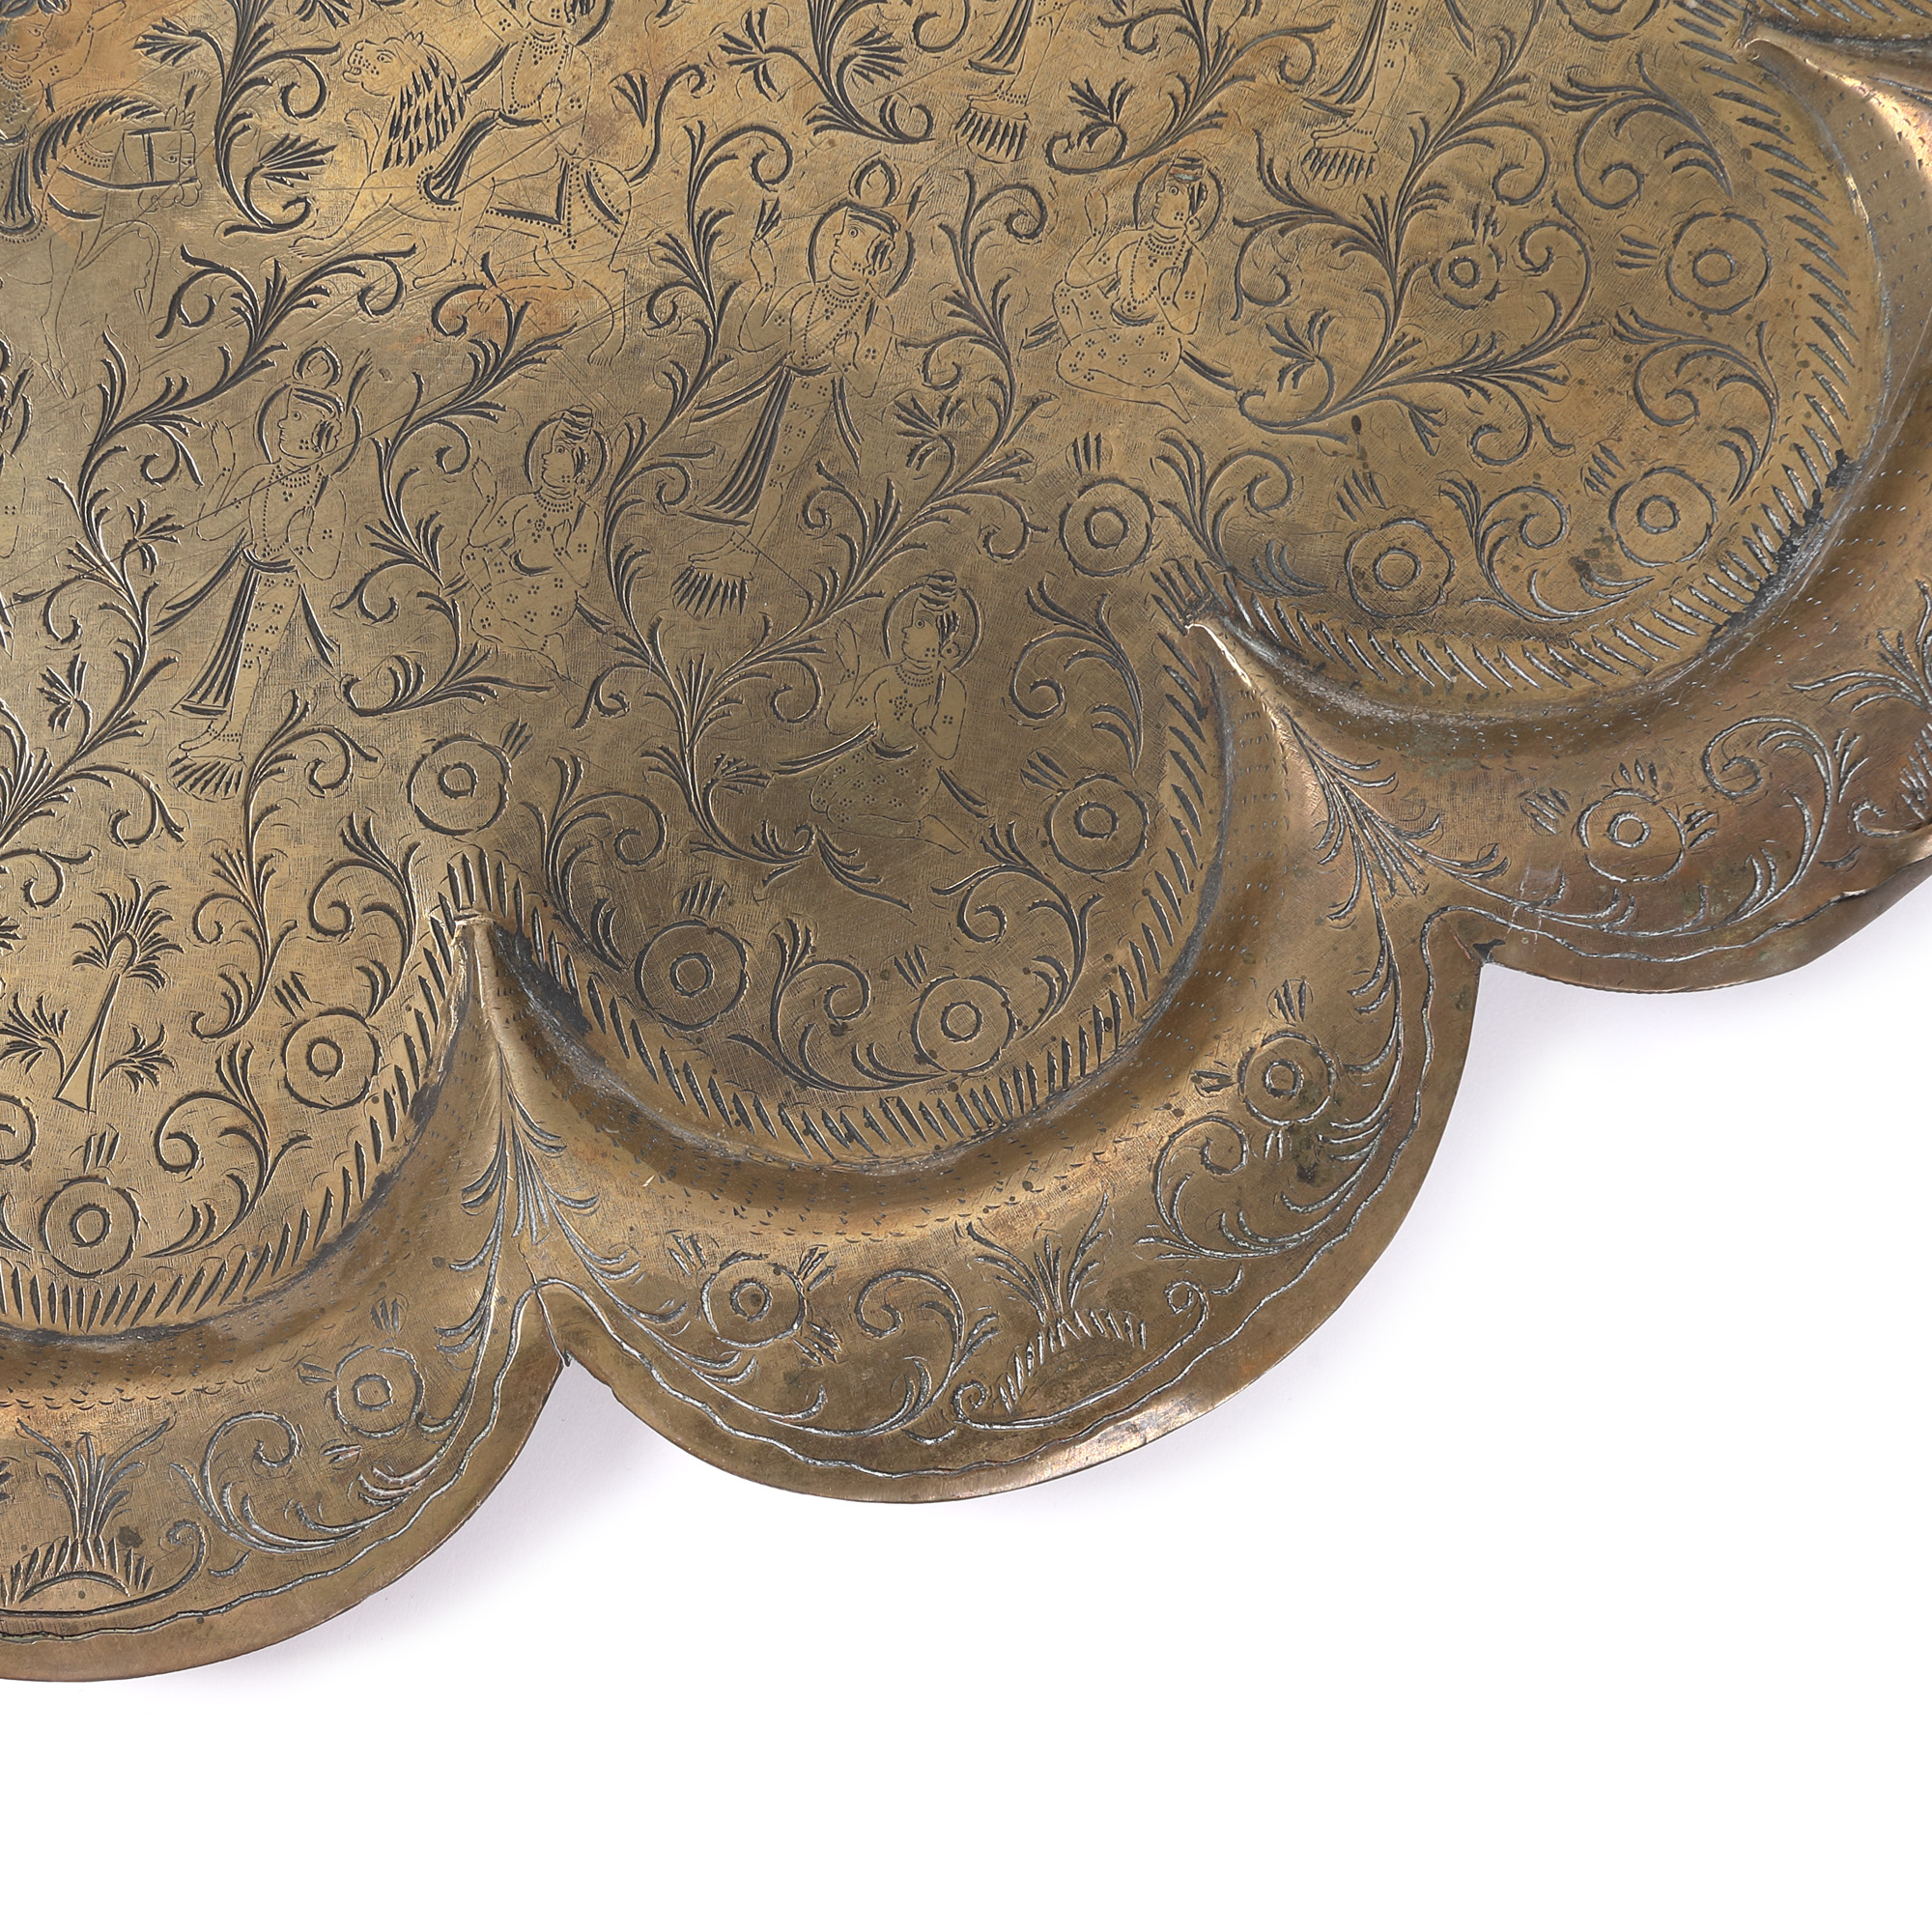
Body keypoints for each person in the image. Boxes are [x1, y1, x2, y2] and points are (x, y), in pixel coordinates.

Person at [678, 200, 903, 612]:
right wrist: (766, 280)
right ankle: (740, 546)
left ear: (874, 256)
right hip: (781, 393)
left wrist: (846, 357)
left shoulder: (876, 316)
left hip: (818, 404)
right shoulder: (806, 296)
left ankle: (746, 554)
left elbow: (868, 384)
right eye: (844, 230)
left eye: (854, 234)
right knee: (763, 471)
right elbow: (752, 338)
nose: (838, 238)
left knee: (779, 477)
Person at [162, 382, 349, 799]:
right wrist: (226, 470)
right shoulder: (260, 477)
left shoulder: (326, 494)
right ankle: (223, 730)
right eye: (285, 414)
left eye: (296, 417)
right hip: (247, 581)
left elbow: (325, 567)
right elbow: (210, 529)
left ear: (321, 434)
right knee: (233, 662)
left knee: (252, 661)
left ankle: (232, 740)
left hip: (283, 587)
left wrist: (298, 541)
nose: (282, 423)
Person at [787, 574, 979, 856]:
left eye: (920, 624)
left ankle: (922, 829)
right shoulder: (887, 675)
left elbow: (947, 749)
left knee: (841, 814)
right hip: (871, 758)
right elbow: (838, 723)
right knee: (819, 799)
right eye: (910, 621)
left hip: (912, 773)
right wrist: (852, 669)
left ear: (944, 641)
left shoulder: (949, 688)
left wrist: (924, 726)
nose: (906, 630)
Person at [1054, 154, 1216, 419]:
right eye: (1163, 188)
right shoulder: (1130, 240)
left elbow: (1187, 326)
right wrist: (1097, 233)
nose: (1159, 196)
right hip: (1113, 327)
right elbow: (1075, 278)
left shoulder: (1191, 261)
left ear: (1190, 211)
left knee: (1069, 365)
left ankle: (1157, 395)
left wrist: (1165, 298)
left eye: (1173, 191)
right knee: (1064, 293)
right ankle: (1100, 355)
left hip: (1152, 348)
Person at [460, 407, 605, 681]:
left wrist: (556, 550)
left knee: (484, 619)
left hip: (552, 596)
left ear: (579, 466)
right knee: (471, 559)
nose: (546, 457)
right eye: (550, 449)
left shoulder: (585, 516)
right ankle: (544, 645)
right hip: (515, 584)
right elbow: (477, 541)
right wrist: (490, 498)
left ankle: (527, 633)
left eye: (559, 451)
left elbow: (582, 577)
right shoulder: (524, 503)